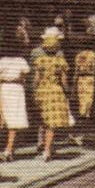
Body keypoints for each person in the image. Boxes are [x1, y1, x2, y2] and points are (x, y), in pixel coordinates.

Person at [33, 29, 72, 161]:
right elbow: (64, 81)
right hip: (55, 92)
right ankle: (47, 150)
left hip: (42, 92)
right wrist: (67, 91)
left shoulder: (40, 61)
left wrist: (35, 90)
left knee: (43, 120)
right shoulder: (60, 62)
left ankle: (41, 143)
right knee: (51, 124)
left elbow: (36, 79)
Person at [0, 49, 31, 162]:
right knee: (13, 120)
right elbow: (25, 75)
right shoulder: (21, 61)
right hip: (16, 88)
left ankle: (1, 149)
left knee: (2, 117)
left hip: (3, 87)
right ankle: (8, 149)